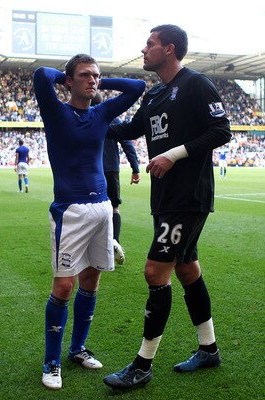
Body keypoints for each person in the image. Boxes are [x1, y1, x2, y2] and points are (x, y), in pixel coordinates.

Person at [103, 24, 231, 389]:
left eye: (150, 44)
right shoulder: (155, 95)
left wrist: (173, 155)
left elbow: (222, 129)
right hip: (165, 198)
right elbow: (130, 130)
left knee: (154, 272)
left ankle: (142, 365)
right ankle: (209, 349)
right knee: (187, 269)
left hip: (188, 197)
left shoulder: (195, 83)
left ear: (169, 49)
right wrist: (89, 120)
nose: (144, 49)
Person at [33, 54, 145, 390]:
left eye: (96, 76)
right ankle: (51, 362)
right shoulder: (56, 112)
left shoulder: (101, 112)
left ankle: (77, 349)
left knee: (92, 280)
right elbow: (41, 74)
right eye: (85, 76)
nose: (93, 81)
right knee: (64, 286)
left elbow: (137, 86)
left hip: (102, 208)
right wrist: (70, 75)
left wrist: (99, 80)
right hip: (69, 210)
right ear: (68, 81)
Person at [91, 92, 141, 265]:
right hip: (111, 169)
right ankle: (114, 241)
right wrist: (135, 168)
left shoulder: (83, 119)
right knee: (114, 207)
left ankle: (93, 246)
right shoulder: (113, 120)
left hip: (90, 170)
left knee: (90, 206)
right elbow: (128, 144)